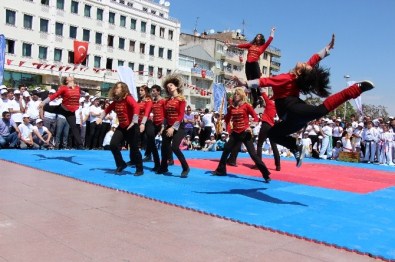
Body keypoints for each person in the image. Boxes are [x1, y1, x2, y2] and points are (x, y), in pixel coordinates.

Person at [234, 34, 375, 167]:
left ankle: (356, 89)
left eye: (303, 65)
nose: (303, 63)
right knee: (273, 134)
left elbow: (264, 81)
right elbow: (313, 60)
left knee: (319, 111)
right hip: (292, 119)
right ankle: (296, 147)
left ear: (299, 71)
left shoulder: (288, 77)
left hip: (291, 109)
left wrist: (245, 83)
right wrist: (327, 49)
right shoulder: (297, 76)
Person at [210, 87, 271, 183]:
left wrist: (250, 127)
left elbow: (256, 118)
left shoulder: (247, 106)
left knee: (253, 155)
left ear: (242, 95)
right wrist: (225, 126)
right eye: (235, 94)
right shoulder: (231, 107)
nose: (235, 95)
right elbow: (227, 119)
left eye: (237, 94)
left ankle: (266, 174)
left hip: (245, 133)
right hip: (235, 133)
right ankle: (221, 170)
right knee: (226, 150)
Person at [96, 82, 142, 175]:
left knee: (134, 148)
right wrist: (101, 117)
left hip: (132, 126)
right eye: (115, 88)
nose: (115, 89)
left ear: (123, 89)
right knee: (113, 145)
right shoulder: (116, 101)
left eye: (118, 88)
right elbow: (107, 109)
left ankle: (139, 168)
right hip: (122, 126)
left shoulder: (128, 98)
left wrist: (134, 121)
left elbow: (136, 106)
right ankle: (121, 164)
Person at [227, 27, 275, 108]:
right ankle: (255, 100)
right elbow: (240, 45)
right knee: (250, 83)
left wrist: (272, 32)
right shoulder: (250, 45)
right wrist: (230, 44)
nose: (257, 37)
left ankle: (260, 96)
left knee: (257, 81)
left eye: (259, 36)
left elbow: (269, 40)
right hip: (248, 65)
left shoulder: (262, 47)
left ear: (261, 39)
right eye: (257, 36)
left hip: (255, 64)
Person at [156, 74, 190, 178]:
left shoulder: (181, 100)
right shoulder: (166, 101)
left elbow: (180, 116)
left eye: (171, 85)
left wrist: (173, 128)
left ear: (176, 87)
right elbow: (165, 116)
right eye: (167, 86)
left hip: (179, 127)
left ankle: (185, 168)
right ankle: (163, 167)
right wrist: (163, 126)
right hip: (168, 126)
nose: (169, 87)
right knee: (164, 147)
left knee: (175, 147)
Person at [39, 76, 83, 149]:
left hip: (70, 112)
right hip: (62, 108)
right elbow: (54, 96)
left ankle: (80, 145)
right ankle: (41, 106)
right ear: (66, 81)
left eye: (71, 76)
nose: (71, 77)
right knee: (48, 108)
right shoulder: (63, 88)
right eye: (69, 77)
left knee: (74, 127)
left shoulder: (78, 88)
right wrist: (43, 102)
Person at [137, 85, 160, 172]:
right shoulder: (138, 101)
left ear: (146, 92)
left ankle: (157, 164)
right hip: (139, 124)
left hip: (147, 123)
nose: (140, 92)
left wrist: (143, 123)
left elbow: (146, 113)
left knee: (151, 141)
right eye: (139, 90)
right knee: (134, 142)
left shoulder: (149, 101)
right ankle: (134, 160)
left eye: (142, 90)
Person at [255, 92, 281, 171]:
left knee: (259, 145)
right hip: (272, 126)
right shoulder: (277, 107)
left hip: (265, 125)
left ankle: (259, 165)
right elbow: (258, 110)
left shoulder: (269, 102)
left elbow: (263, 93)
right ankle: (278, 165)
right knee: (274, 146)